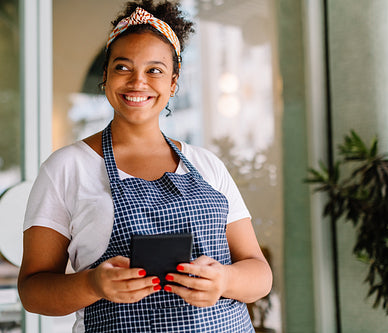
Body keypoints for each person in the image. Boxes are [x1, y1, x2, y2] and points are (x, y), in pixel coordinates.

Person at [17, 1, 272, 332]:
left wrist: (224, 280)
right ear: (105, 74)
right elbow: (33, 292)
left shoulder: (206, 164)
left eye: (155, 70)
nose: (138, 82)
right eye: (123, 67)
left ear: (173, 83)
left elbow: (260, 275)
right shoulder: (67, 168)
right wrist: (93, 285)